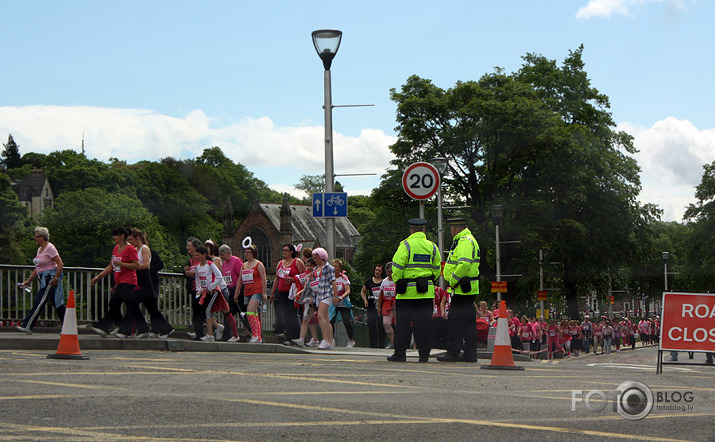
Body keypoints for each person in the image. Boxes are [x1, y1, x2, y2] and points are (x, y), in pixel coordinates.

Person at [387, 218, 441, 363]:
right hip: (426, 292)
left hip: (406, 295)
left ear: (411, 230)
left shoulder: (405, 245)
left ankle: (400, 354)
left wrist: (399, 281)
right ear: (423, 230)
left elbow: (396, 267)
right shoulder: (432, 246)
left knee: (403, 325)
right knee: (424, 325)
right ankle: (424, 355)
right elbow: (437, 269)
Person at [90, 226, 150, 338]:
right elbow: (110, 266)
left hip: (128, 281)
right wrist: (99, 276)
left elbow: (136, 265)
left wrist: (122, 264)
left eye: (116, 235)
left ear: (122, 236)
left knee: (114, 303)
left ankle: (104, 326)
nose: (114, 237)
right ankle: (143, 328)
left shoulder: (130, 248)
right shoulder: (115, 248)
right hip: (119, 280)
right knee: (132, 306)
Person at [438, 218, 480, 363]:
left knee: (455, 321)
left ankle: (453, 352)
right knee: (468, 323)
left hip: (461, 288)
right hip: (467, 288)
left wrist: (453, 280)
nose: (450, 231)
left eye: (451, 228)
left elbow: (464, 264)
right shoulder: (469, 240)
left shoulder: (464, 241)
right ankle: (470, 353)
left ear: (455, 228)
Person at [16, 227, 66, 334]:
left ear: (43, 237)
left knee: (39, 301)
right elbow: (38, 268)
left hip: (50, 278)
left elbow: (60, 263)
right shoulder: (39, 249)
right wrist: (27, 281)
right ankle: (69, 327)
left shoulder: (50, 248)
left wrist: (56, 278)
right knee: (57, 303)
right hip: (43, 278)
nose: (35, 239)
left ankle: (27, 325)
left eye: (36, 237)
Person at [128, 228, 174, 338]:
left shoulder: (144, 249)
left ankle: (163, 328)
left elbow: (147, 265)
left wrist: (133, 266)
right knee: (138, 304)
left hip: (145, 280)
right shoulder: (135, 249)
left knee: (149, 306)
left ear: (137, 238)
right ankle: (138, 329)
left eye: (131, 239)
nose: (130, 242)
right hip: (138, 279)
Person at [193, 245, 239, 341]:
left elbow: (219, 276)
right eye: (195, 255)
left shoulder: (210, 264)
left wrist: (211, 287)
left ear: (204, 255)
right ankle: (217, 328)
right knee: (205, 311)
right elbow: (198, 279)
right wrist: (199, 289)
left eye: (198, 255)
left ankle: (231, 334)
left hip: (217, 290)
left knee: (225, 312)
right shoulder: (197, 267)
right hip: (206, 292)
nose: (196, 257)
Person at [270, 244, 305, 342]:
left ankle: (294, 336)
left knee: (292, 314)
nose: (284, 252)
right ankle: (288, 335)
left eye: (286, 250)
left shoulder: (297, 262)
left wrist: (293, 279)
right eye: (283, 250)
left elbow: (303, 277)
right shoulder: (280, 263)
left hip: (293, 293)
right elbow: (277, 279)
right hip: (282, 292)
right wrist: (272, 292)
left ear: (291, 252)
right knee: (284, 314)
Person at [235, 243, 267, 343]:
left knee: (250, 311)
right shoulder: (244, 265)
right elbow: (240, 280)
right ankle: (258, 335)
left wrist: (263, 292)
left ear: (253, 253)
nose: (246, 254)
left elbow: (264, 278)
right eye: (245, 252)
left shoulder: (259, 264)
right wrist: (237, 292)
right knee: (254, 314)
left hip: (256, 290)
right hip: (247, 291)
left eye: (248, 252)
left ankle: (255, 334)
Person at [218, 244, 250, 341]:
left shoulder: (236, 261)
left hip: (239, 290)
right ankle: (227, 335)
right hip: (229, 291)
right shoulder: (224, 264)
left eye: (223, 254)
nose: (222, 257)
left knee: (244, 314)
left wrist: (238, 290)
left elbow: (242, 276)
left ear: (228, 253)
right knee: (228, 313)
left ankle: (254, 333)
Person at [309, 248, 337, 350]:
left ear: (322, 257)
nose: (315, 260)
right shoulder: (315, 269)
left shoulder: (329, 268)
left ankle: (325, 340)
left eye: (316, 258)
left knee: (320, 315)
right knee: (326, 318)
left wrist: (335, 296)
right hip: (318, 294)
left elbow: (333, 281)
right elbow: (315, 283)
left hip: (327, 294)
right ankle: (330, 340)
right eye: (314, 258)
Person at [330, 258, 356, 348]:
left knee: (346, 321)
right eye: (332, 266)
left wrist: (341, 297)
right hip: (333, 303)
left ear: (340, 268)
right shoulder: (330, 277)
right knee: (331, 321)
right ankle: (331, 339)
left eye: (336, 266)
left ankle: (351, 340)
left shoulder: (344, 278)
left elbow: (348, 290)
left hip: (343, 303)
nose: (334, 268)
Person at [360, 264, 386, 348]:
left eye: (379, 271)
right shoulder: (369, 282)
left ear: (382, 272)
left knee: (381, 325)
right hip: (371, 305)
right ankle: (373, 345)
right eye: (376, 270)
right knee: (371, 325)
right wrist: (365, 300)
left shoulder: (384, 281)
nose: (377, 272)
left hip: (381, 306)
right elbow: (363, 291)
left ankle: (382, 345)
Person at [184, 237, 204, 340]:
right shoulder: (190, 260)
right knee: (195, 311)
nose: (187, 247)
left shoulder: (200, 258)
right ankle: (198, 332)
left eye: (189, 245)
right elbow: (188, 274)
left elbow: (204, 270)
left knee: (200, 312)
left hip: (200, 288)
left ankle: (202, 333)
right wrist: (186, 272)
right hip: (193, 288)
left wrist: (193, 273)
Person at [377, 262, 397, 349]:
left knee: (398, 324)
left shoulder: (397, 280)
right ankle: (392, 341)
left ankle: (400, 341)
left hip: (396, 305)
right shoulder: (384, 281)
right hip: (387, 305)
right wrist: (379, 307)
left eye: (391, 272)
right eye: (388, 272)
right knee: (386, 323)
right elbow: (381, 295)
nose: (390, 274)